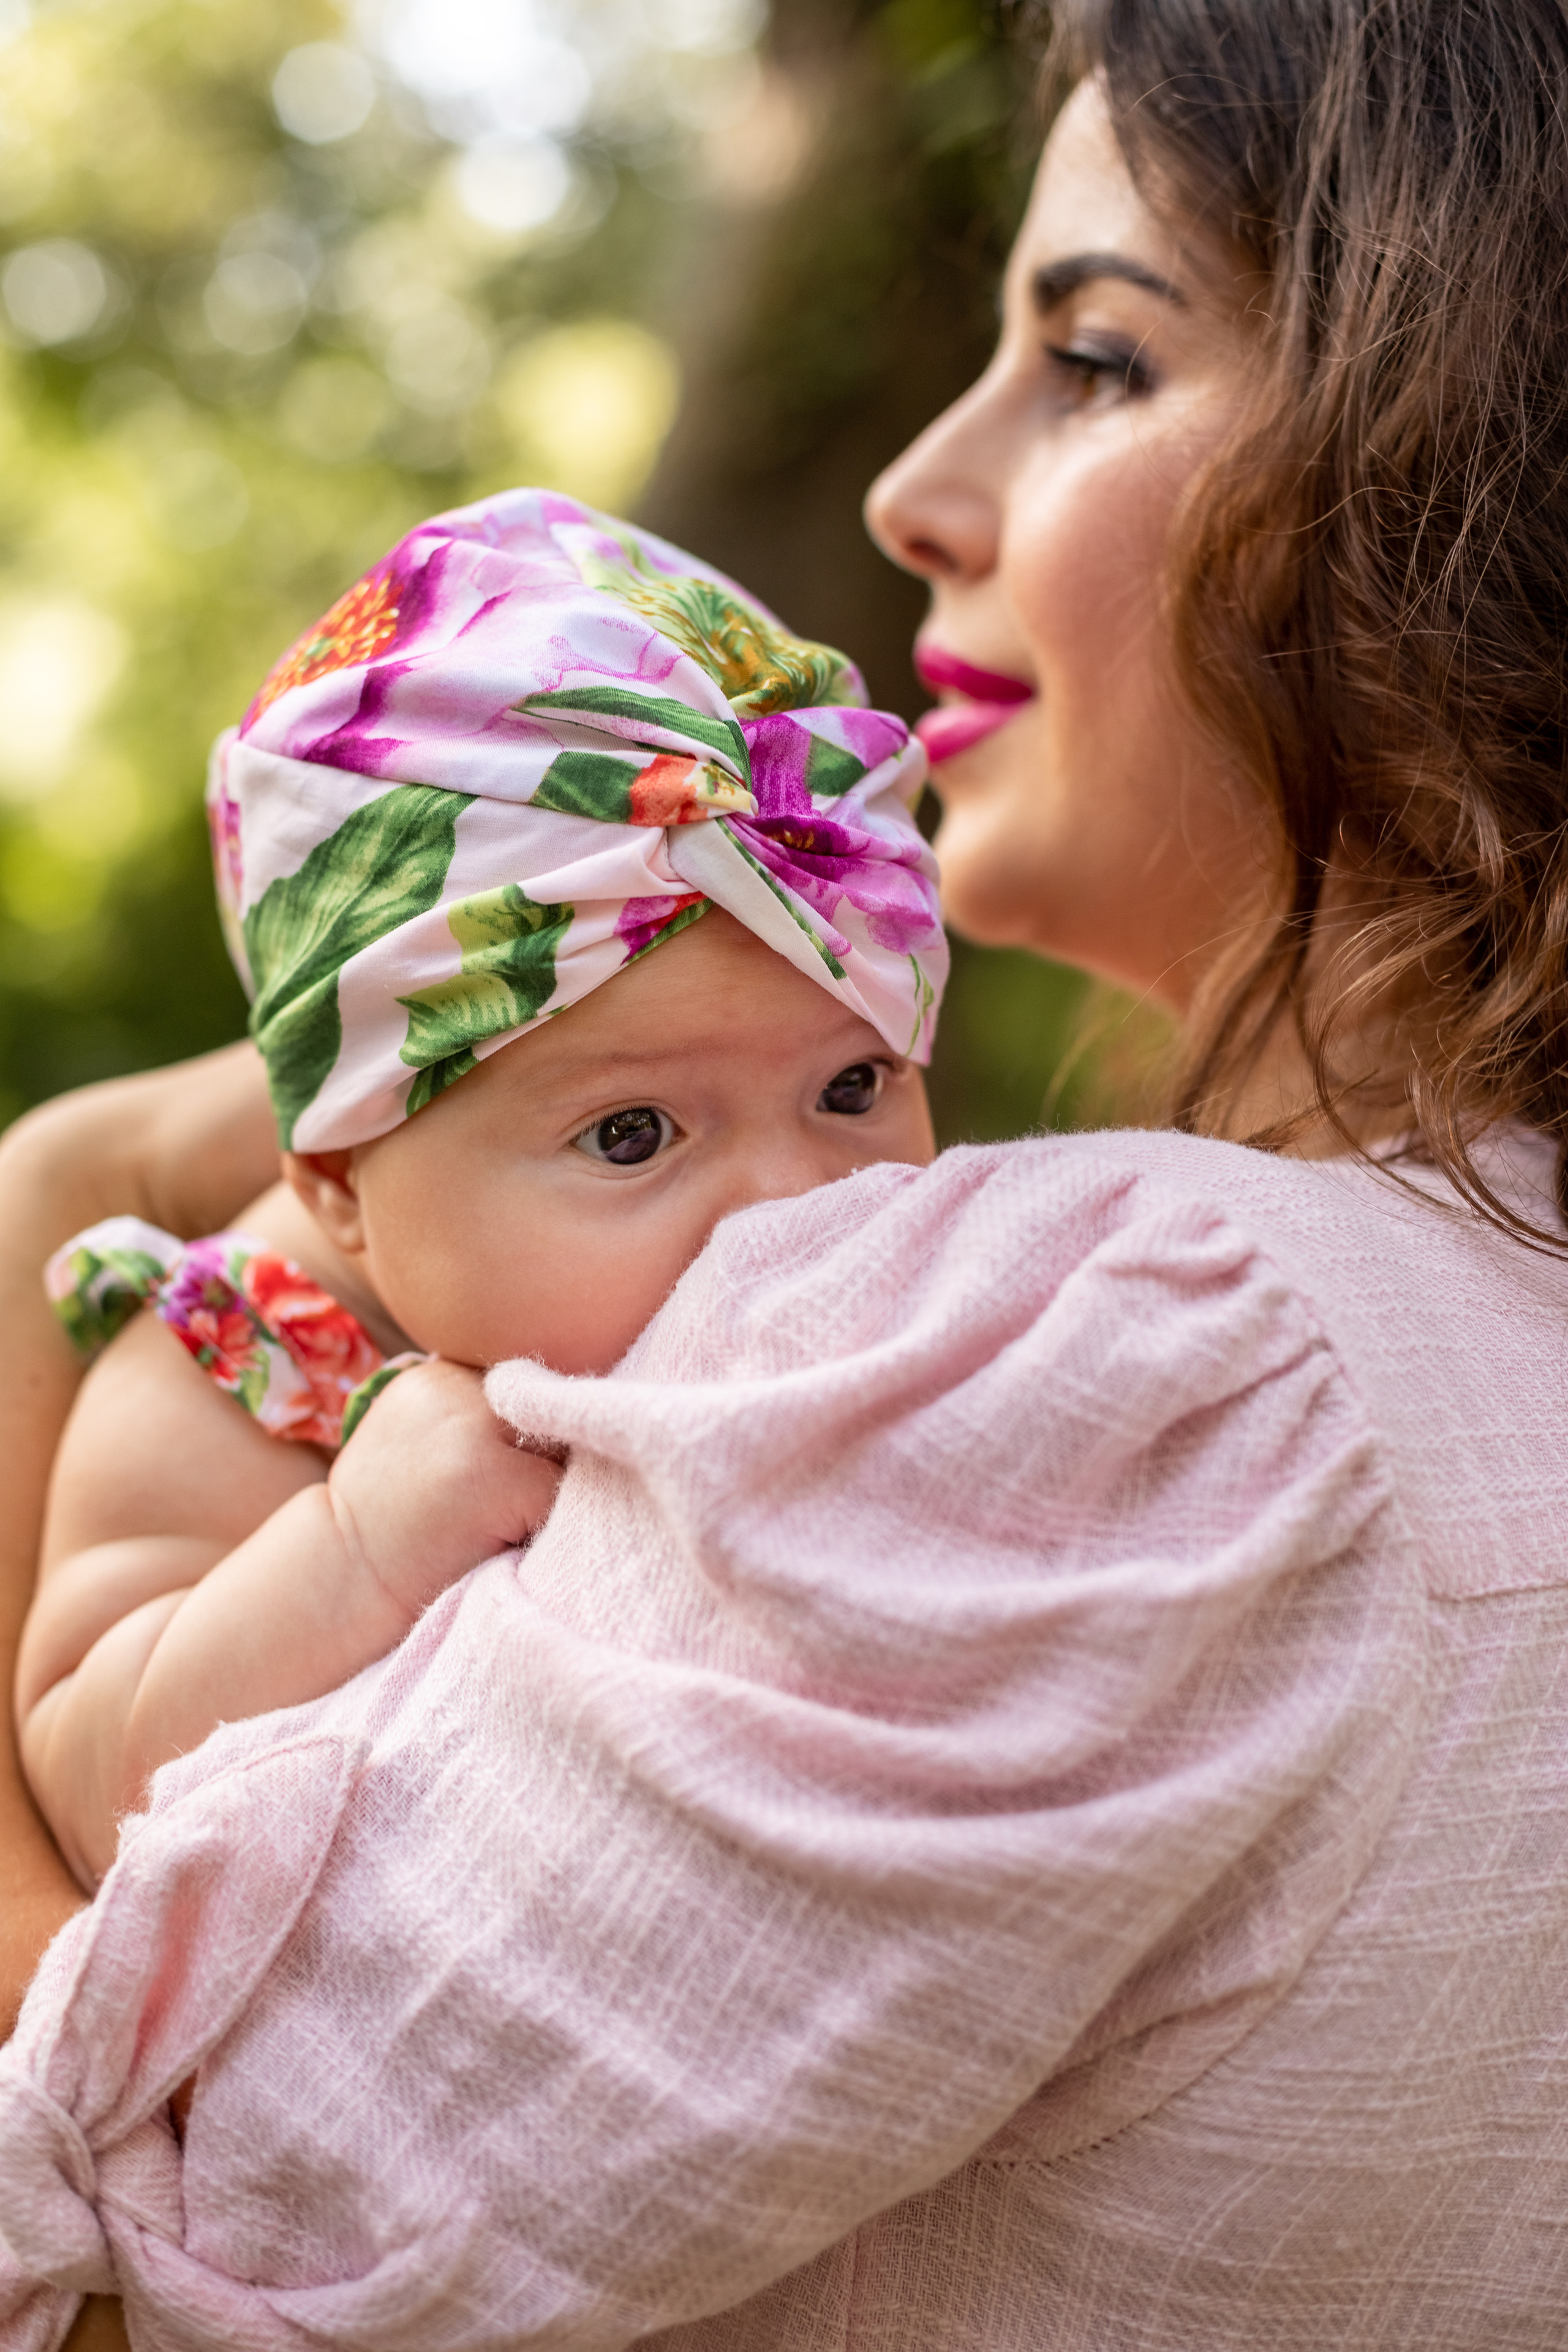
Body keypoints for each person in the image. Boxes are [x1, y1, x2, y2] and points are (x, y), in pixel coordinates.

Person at [4, 0, 1568, 2343]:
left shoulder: (1134, 1352)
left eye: (1101, 363)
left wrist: (58, 1187)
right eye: (640, 1123)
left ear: (1468, 483)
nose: (914, 493)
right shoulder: (1469, 1302)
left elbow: (136, 2232)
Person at [12, 488, 943, 1893]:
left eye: (851, 1088)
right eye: (630, 1134)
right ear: (338, 1184)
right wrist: (349, 1550)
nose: (791, 1205)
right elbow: (84, 1771)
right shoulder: (253, 1357)